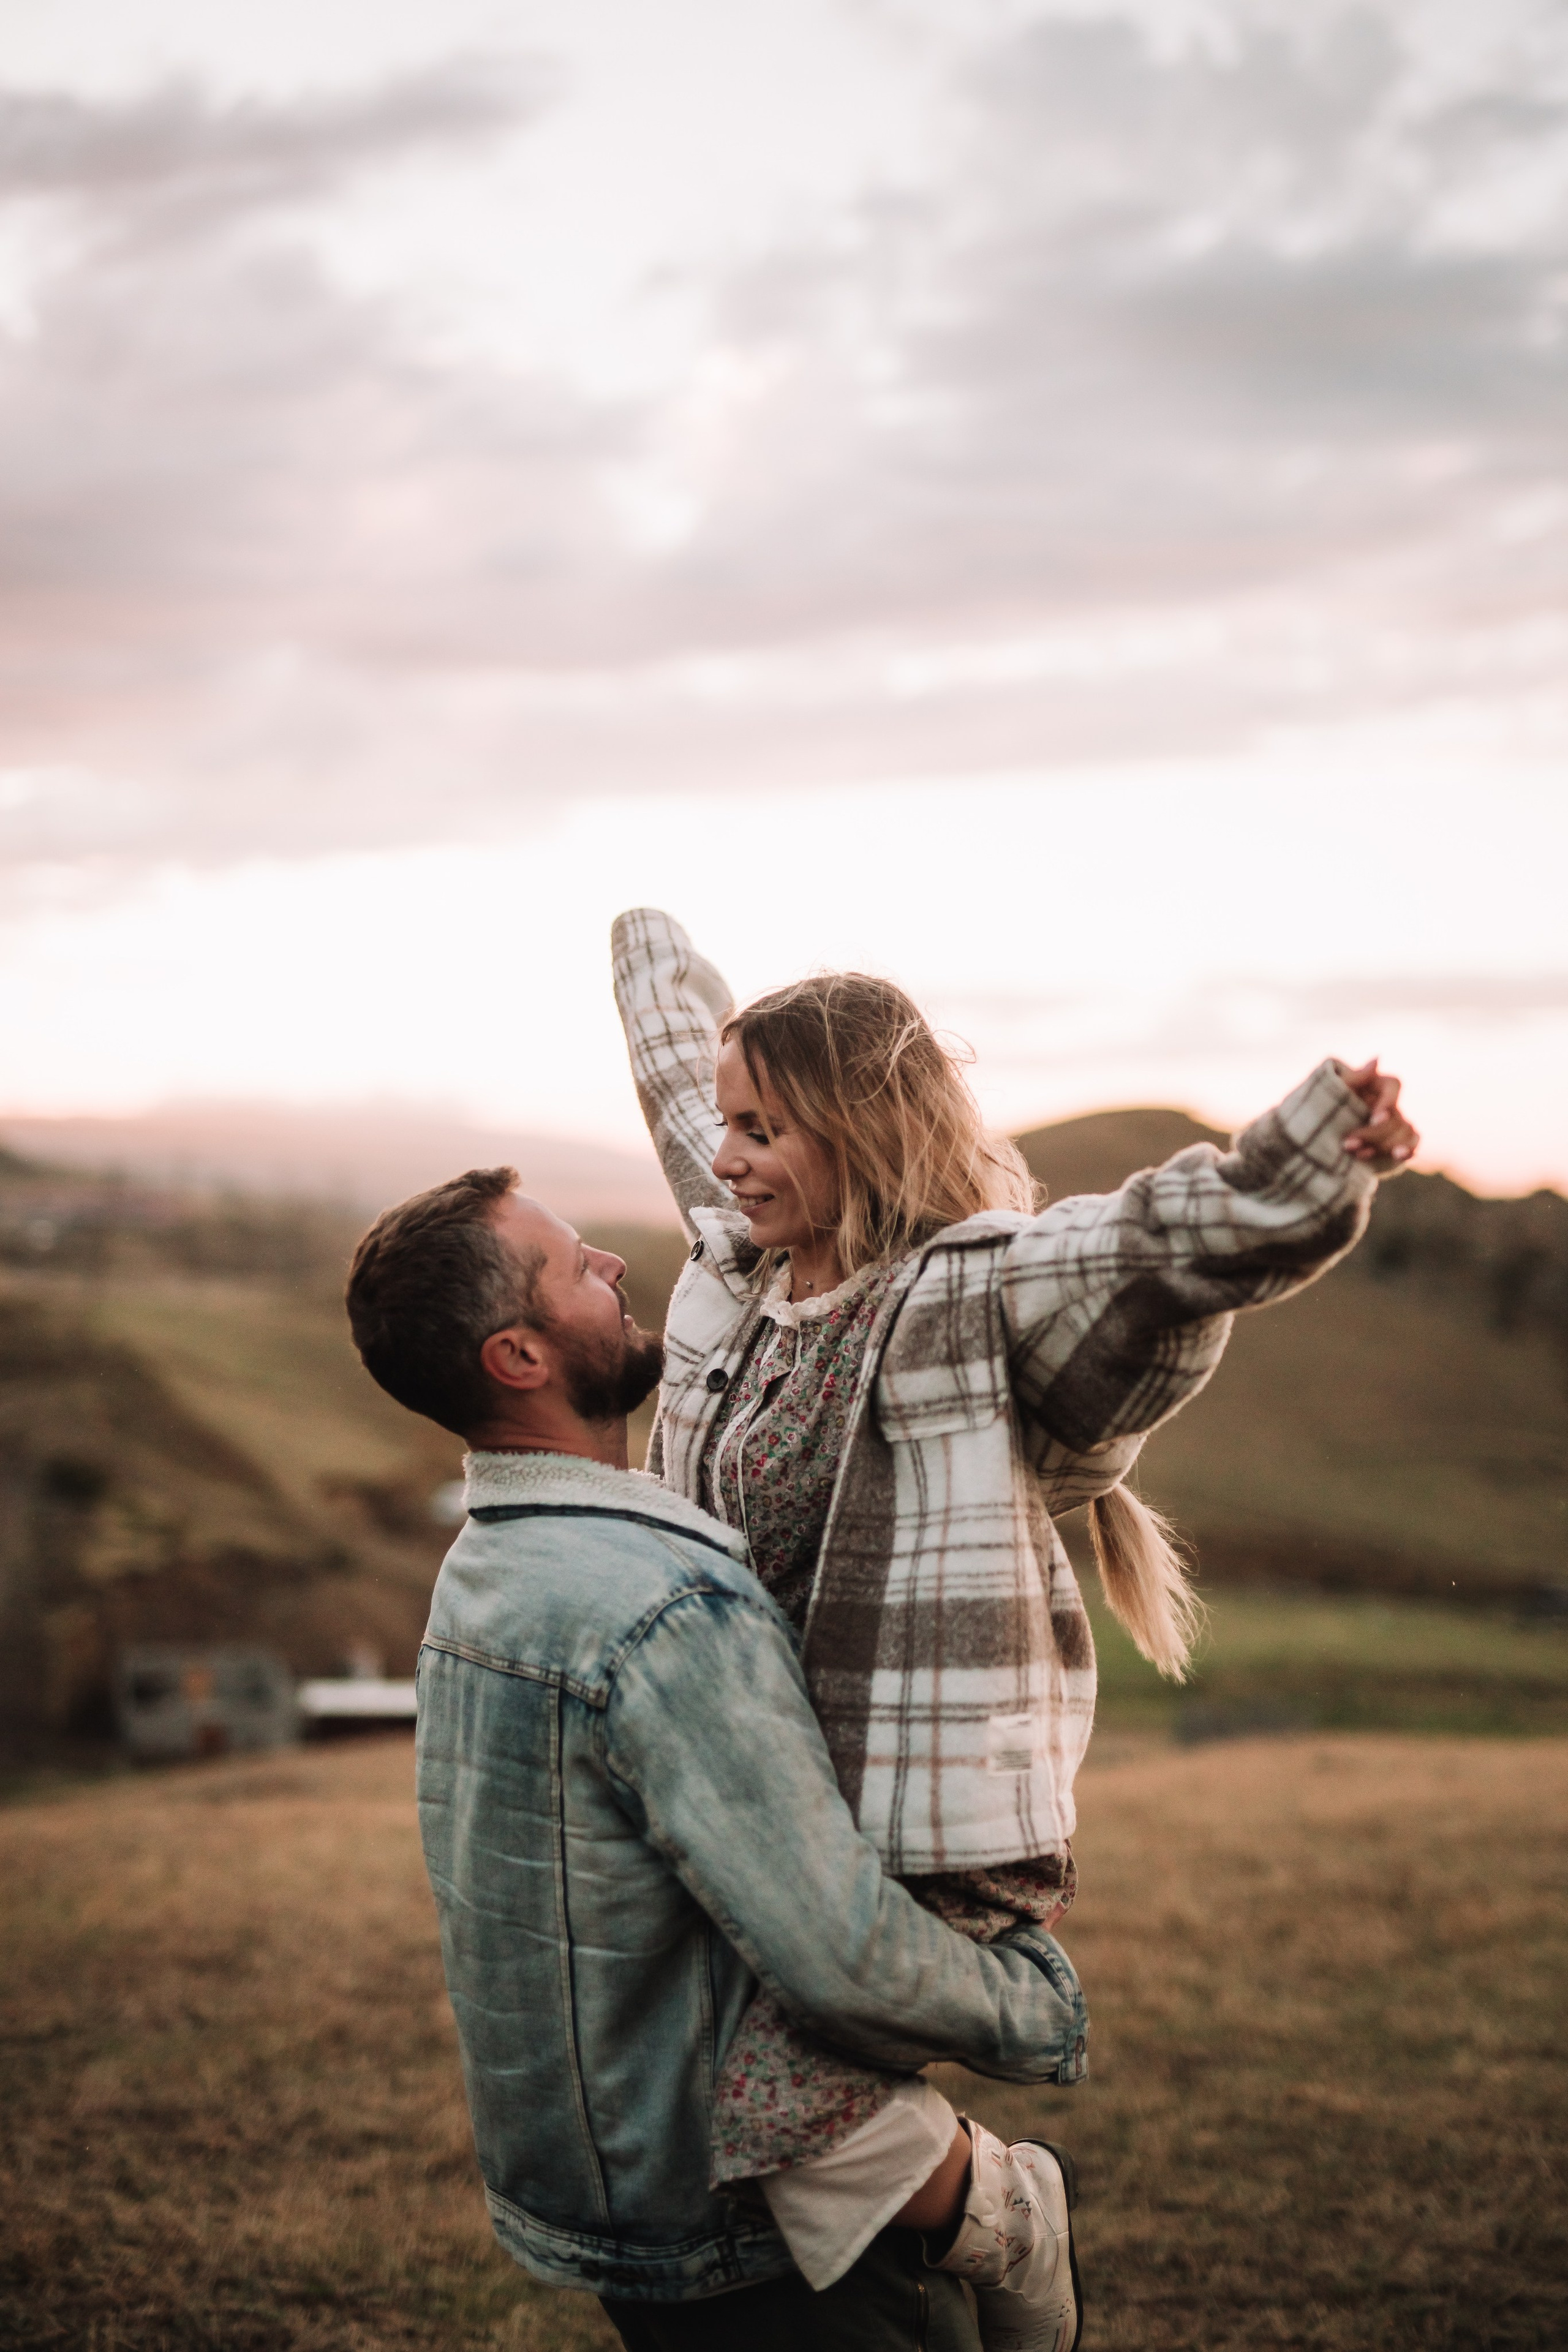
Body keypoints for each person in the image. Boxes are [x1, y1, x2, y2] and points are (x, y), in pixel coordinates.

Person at [611, 905, 1419, 2340]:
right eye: (729, 1124)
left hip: (908, 1820)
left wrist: (1311, 1153)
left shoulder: (960, 1293)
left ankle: (1007, 2217)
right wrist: (647, 951)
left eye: (765, 1129)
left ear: (855, 1131)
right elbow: (682, 1094)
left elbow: (1147, 1251)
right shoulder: (738, 1273)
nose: (728, 1155)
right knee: (676, 2080)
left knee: (776, 2107)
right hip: (754, 1800)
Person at [344, 1166, 1091, 2351]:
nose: (615, 1268)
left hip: (606, 2195)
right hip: (761, 2231)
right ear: (519, 1358)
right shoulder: (664, 1604)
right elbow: (842, 1953)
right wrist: (1033, 2006)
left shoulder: (484, 1573)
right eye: (575, 1265)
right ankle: (1005, 2209)